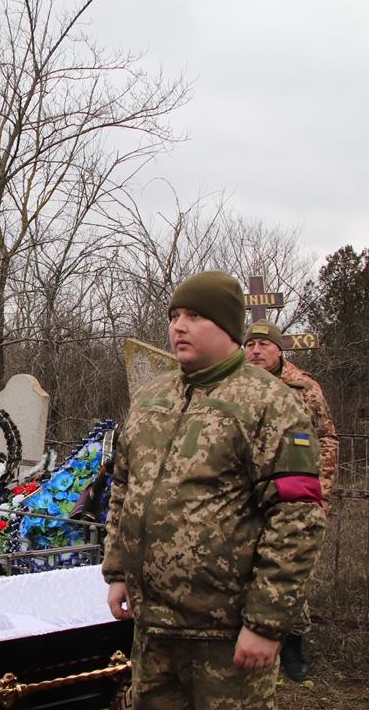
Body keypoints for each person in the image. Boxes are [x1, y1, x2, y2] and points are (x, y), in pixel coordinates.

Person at [103, 271, 324, 710]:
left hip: (226, 634)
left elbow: (297, 517)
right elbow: (124, 488)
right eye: (174, 315)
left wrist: (265, 623)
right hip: (153, 630)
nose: (178, 326)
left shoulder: (270, 402)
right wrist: (117, 571)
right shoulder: (151, 398)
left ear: (227, 326)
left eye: (195, 316)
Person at [244, 318, 339, 682]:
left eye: (264, 345)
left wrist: (322, 491)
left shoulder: (304, 388)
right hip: (249, 495)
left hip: (295, 494)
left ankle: (294, 645)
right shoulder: (236, 384)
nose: (255, 351)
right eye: (250, 345)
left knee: (292, 569)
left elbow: (326, 439)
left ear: (279, 350)